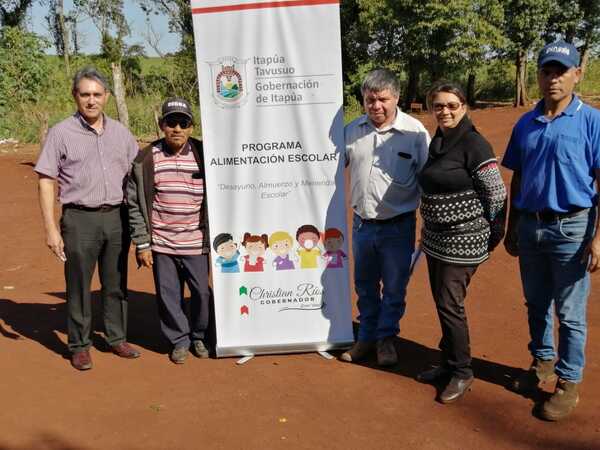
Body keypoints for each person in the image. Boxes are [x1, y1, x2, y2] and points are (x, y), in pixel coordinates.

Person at [502, 40, 600, 421]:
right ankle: (542, 362)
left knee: (571, 313)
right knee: (536, 303)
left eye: (561, 71)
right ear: (538, 76)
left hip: (573, 228)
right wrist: (512, 225)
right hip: (531, 226)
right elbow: (519, 176)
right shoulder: (526, 123)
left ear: (577, 74)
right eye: (547, 71)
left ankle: (567, 382)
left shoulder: (591, 121)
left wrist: (597, 238)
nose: (553, 78)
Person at [35, 67, 141, 370]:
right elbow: (45, 180)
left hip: (117, 218)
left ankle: (116, 337)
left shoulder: (121, 132)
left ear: (106, 96)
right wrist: (51, 228)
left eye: (97, 94)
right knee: (79, 284)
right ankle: (80, 344)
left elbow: (138, 173)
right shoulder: (61, 133)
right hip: (79, 219)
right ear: (75, 96)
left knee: (116, 281)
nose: (91, 100)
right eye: (85, 94)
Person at [416, 82, 507, 403]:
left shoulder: (474, 144)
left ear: (464, 106)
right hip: (436, 238)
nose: (445, 111)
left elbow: (496, 194)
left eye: (452, 105)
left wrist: (493, 235)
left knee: (450, 303)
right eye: (439, 106)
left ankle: (462, 371)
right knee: (442, 301)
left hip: (464, 240)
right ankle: (446, 361)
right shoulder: (439, 141)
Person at [341, 68, 430, 366]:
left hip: (398, 226)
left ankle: (386, 339)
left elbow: (429, 179)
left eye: (382, 99)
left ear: (396, 98)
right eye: (369, 100)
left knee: (394, 287)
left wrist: (429, 223)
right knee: (364, 285)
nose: (376, 106)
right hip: (363, 226)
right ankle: (366, 336)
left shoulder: (416, 133)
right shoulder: (352, 131)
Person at [127, 97, 211, 364]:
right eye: (171, 122)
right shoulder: (145, 159)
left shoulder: (204, 155)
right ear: (162, 124)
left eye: (183, 123)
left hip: (197, 243)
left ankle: (198, 335)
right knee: (168, 295)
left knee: (202, 293)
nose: (177, 128)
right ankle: (179, 340)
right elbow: (134, 204)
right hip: (162, 244)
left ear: (191, 126)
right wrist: (142, 243)